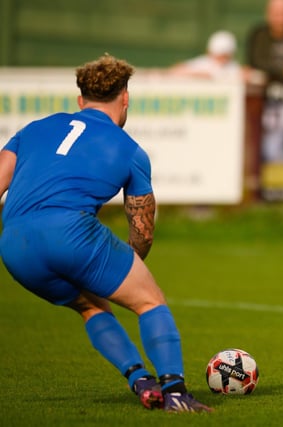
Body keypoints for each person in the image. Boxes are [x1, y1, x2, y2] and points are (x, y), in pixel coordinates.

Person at [0, 54, 211, 413]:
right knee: (149, 301)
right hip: (70, 233)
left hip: (14, 243)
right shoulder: (130, 150)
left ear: (81, 100)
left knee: (89, 305)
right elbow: (142, 231)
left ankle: (141, 381)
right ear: (125, 97)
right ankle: (175, 392)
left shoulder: (32, 129)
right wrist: (123, 267)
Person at [168, 30, 241, 81]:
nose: (222, 60)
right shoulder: (203, 63)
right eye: (219, 57)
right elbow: (175, 71)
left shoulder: (233, 67)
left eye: (225, 57)